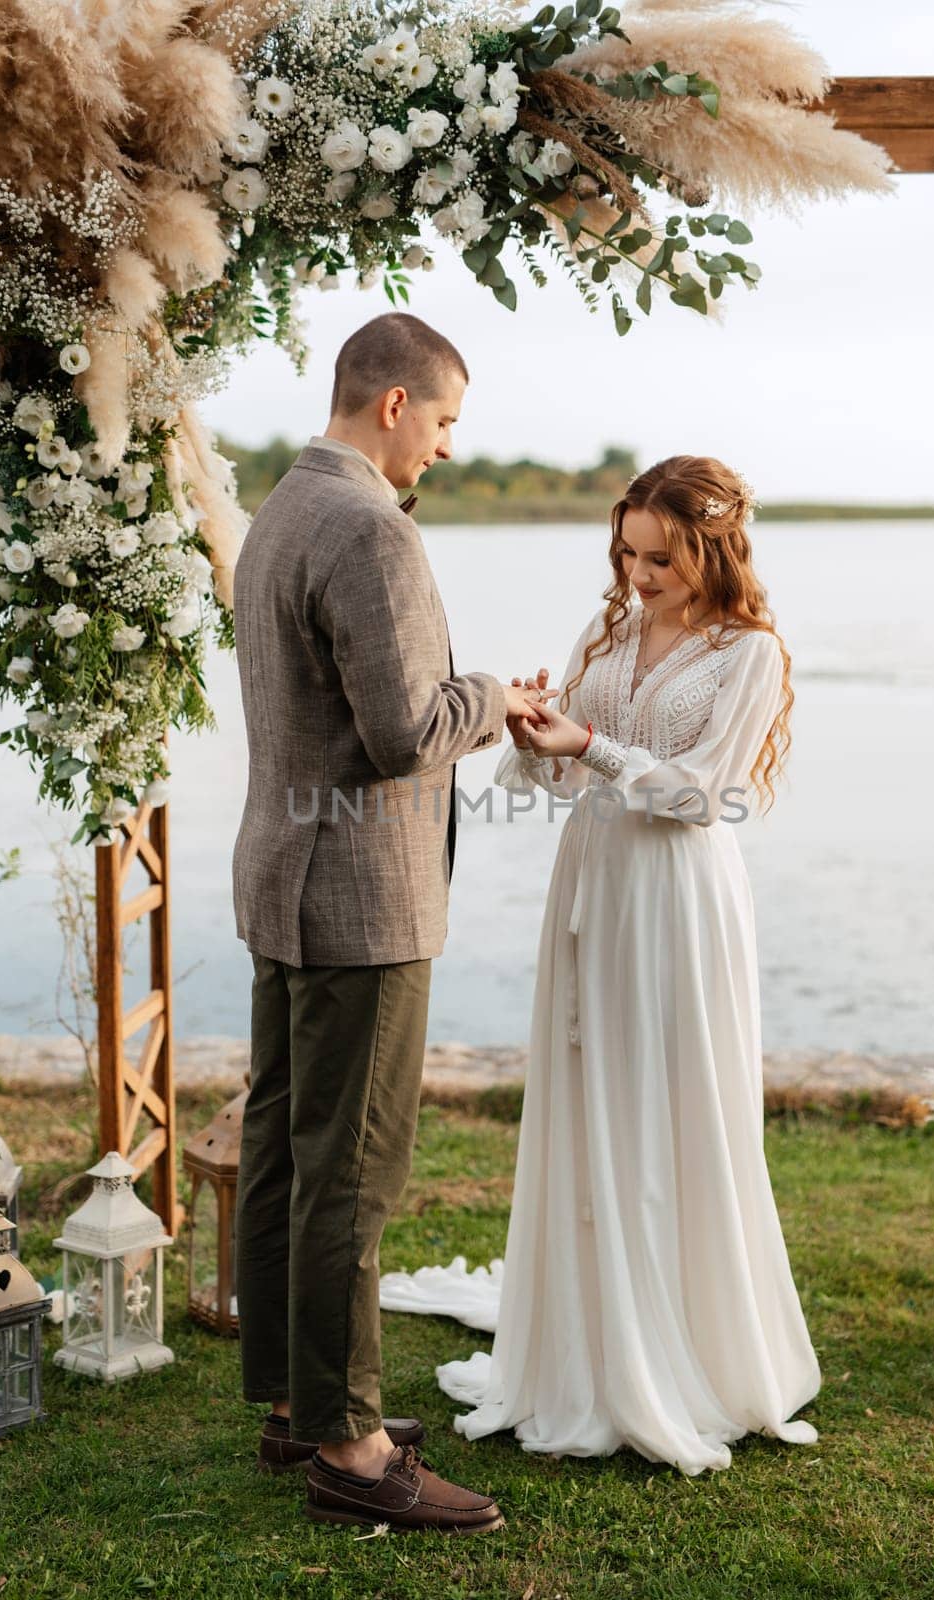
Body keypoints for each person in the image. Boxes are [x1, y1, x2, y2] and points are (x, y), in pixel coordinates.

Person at [379, 455, 822, 1475]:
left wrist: (597, 745)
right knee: (589, 1093)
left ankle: (688, 1346)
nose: (638, 574)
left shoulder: (750, 652)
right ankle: (584, 1338)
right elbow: (542, 773)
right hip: (591, 882)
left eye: (659, 557)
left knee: (673, 1101)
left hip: (677, 893)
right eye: (626, 551)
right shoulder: (609, 627)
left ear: (710, 548)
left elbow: (705, 793)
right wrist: (536, 730)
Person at [231, 312, 542, 1533]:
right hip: (360, 897)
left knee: (285, 1153)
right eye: (449, 421)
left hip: (281, 879)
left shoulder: (282, 508)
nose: (451, 450)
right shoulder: (370, 528)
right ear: (396, 405)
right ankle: (351, 1448)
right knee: (351, 1174)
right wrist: (497, 695)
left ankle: (298, 1405)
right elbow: (405, 733)